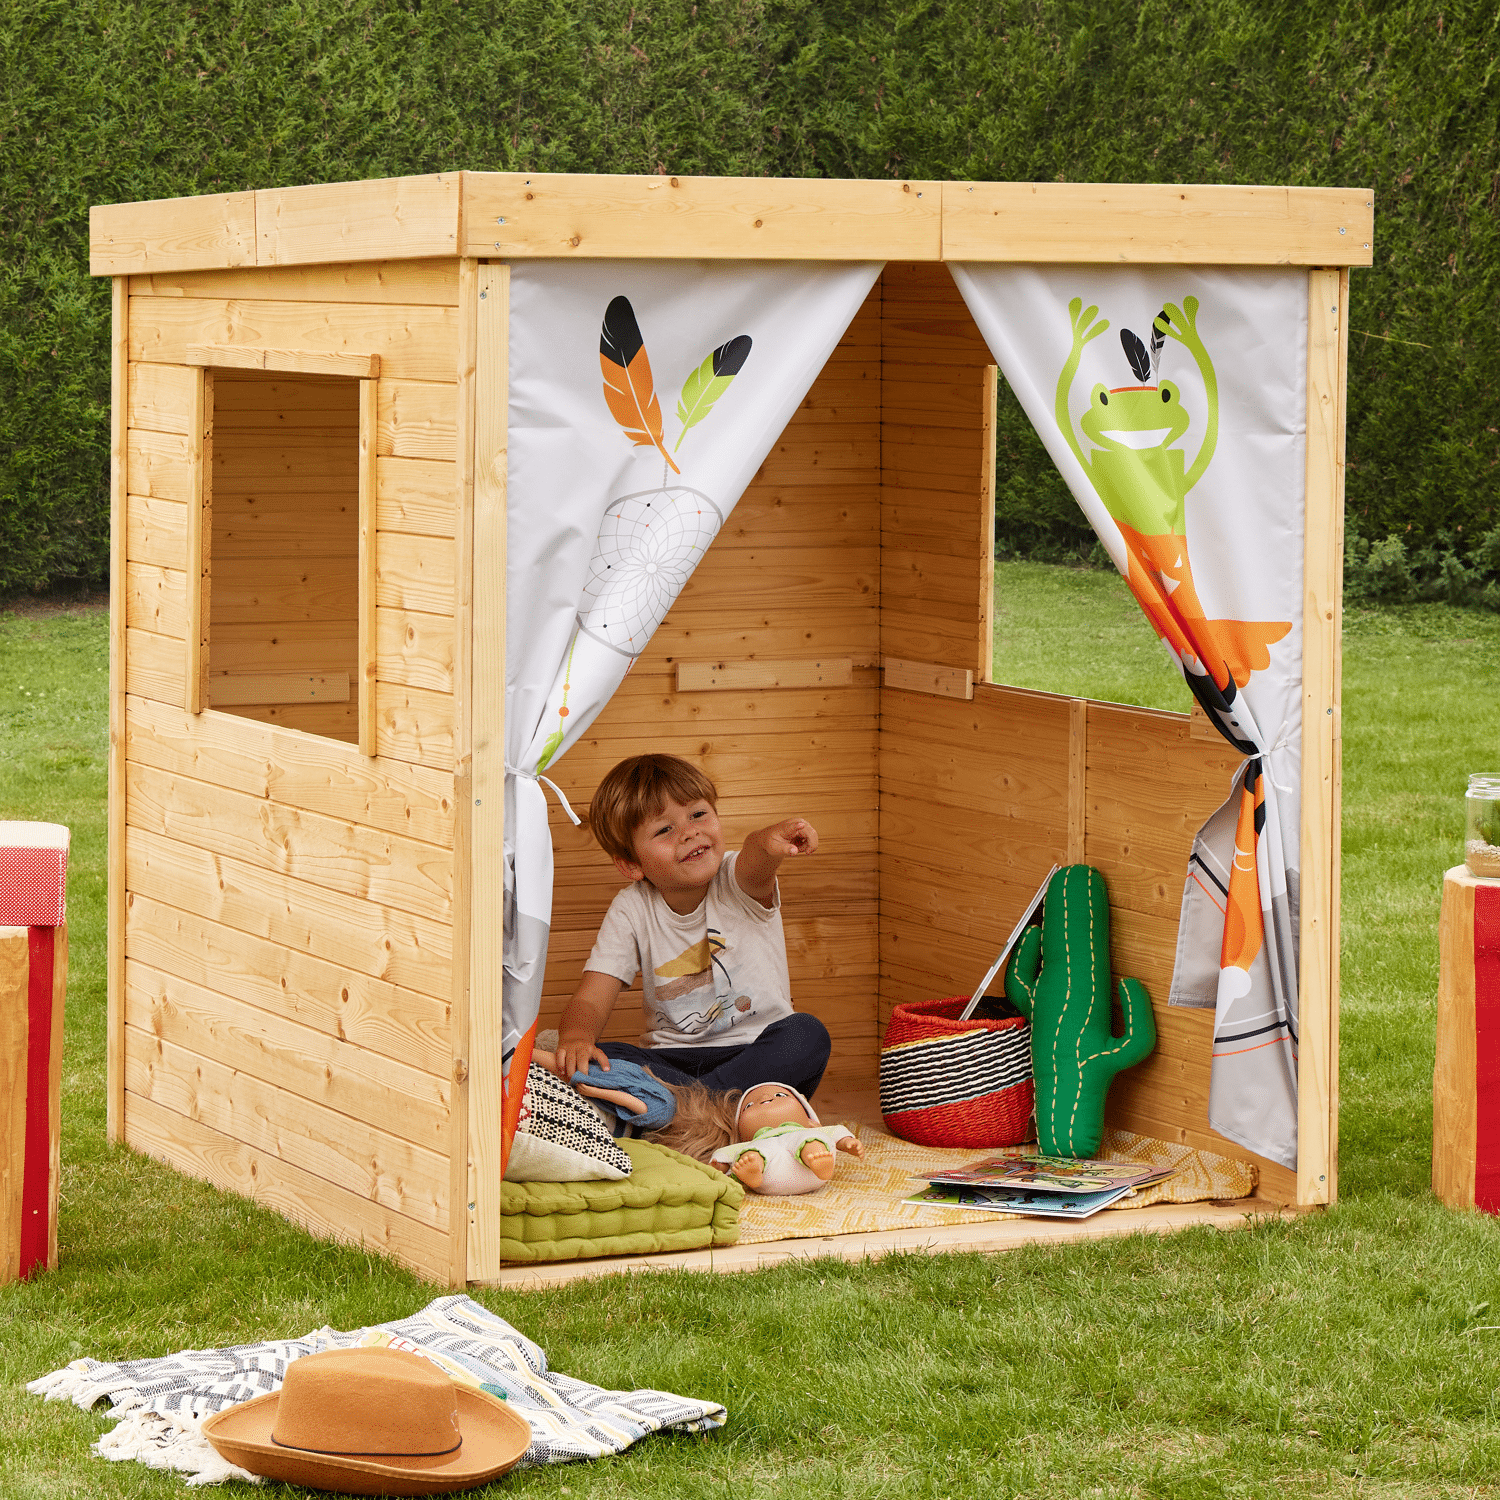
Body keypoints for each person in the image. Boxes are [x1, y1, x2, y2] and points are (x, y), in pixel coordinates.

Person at [552, 753, 831, 1100]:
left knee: (806, 1034)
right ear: (631, 864)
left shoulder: (736, 878)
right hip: (674, 1060)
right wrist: (576, 1038)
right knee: (605, 1059)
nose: (689, 833)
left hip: (756, 1052)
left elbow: (756, 856)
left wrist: (770, 840)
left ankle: (688, 1107)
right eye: (665, 829)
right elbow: (593, 996)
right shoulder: (632, 907)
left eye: (698, 814)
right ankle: (717, 1108)